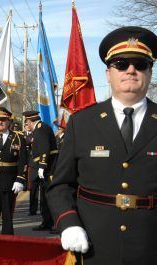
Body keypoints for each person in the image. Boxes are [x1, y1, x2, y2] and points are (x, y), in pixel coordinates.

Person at [46, 26, 157, 264]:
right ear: (108, 73)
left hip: (151, 246)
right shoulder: (82, 122)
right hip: (94, 246)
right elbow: (60, 187)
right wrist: (68, 223)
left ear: (150, 72)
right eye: (121, 64)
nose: (131, 70)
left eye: (140, 64)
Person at [0, 107, 28, 235]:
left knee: (7, 215)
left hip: (9, 182)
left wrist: (20, 179)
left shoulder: (18, 137)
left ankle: (7, 240)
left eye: (3, 120)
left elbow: (23, 160)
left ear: (9, 121)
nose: (0, 122)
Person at [22, 110, 58, 231]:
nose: (26, 125)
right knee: (44, 196)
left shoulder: (41, 129)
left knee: (50, 196)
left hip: (49, 167)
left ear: (29, 121)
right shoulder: (40, 128)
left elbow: (44, 148)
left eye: (26, 122)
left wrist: (42, 166)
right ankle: (47, 222)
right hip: (45, 166)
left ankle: (56, 224)